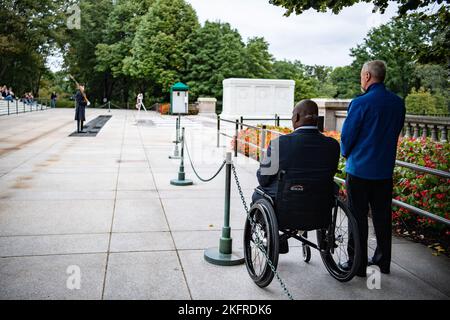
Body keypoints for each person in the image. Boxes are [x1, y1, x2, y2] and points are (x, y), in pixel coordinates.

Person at [340, 60, 405, 277]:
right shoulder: (398, 103)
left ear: (367, 76)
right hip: (384, 171)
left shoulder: (360, 103)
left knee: (357, 217)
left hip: (359, 170)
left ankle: (357, 264)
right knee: (382, 218)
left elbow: (347, 137)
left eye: (361, 75)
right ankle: (382, 262)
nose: (361, 79)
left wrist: (346, 153)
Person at [253, 99, 340, 253]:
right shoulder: (332, 145)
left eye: (293, 116)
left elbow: (264, 179)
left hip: (286, 208)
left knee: (258, 193)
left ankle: (270, 237)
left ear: (297, 117)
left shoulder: (280, 143)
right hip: (320, 208)